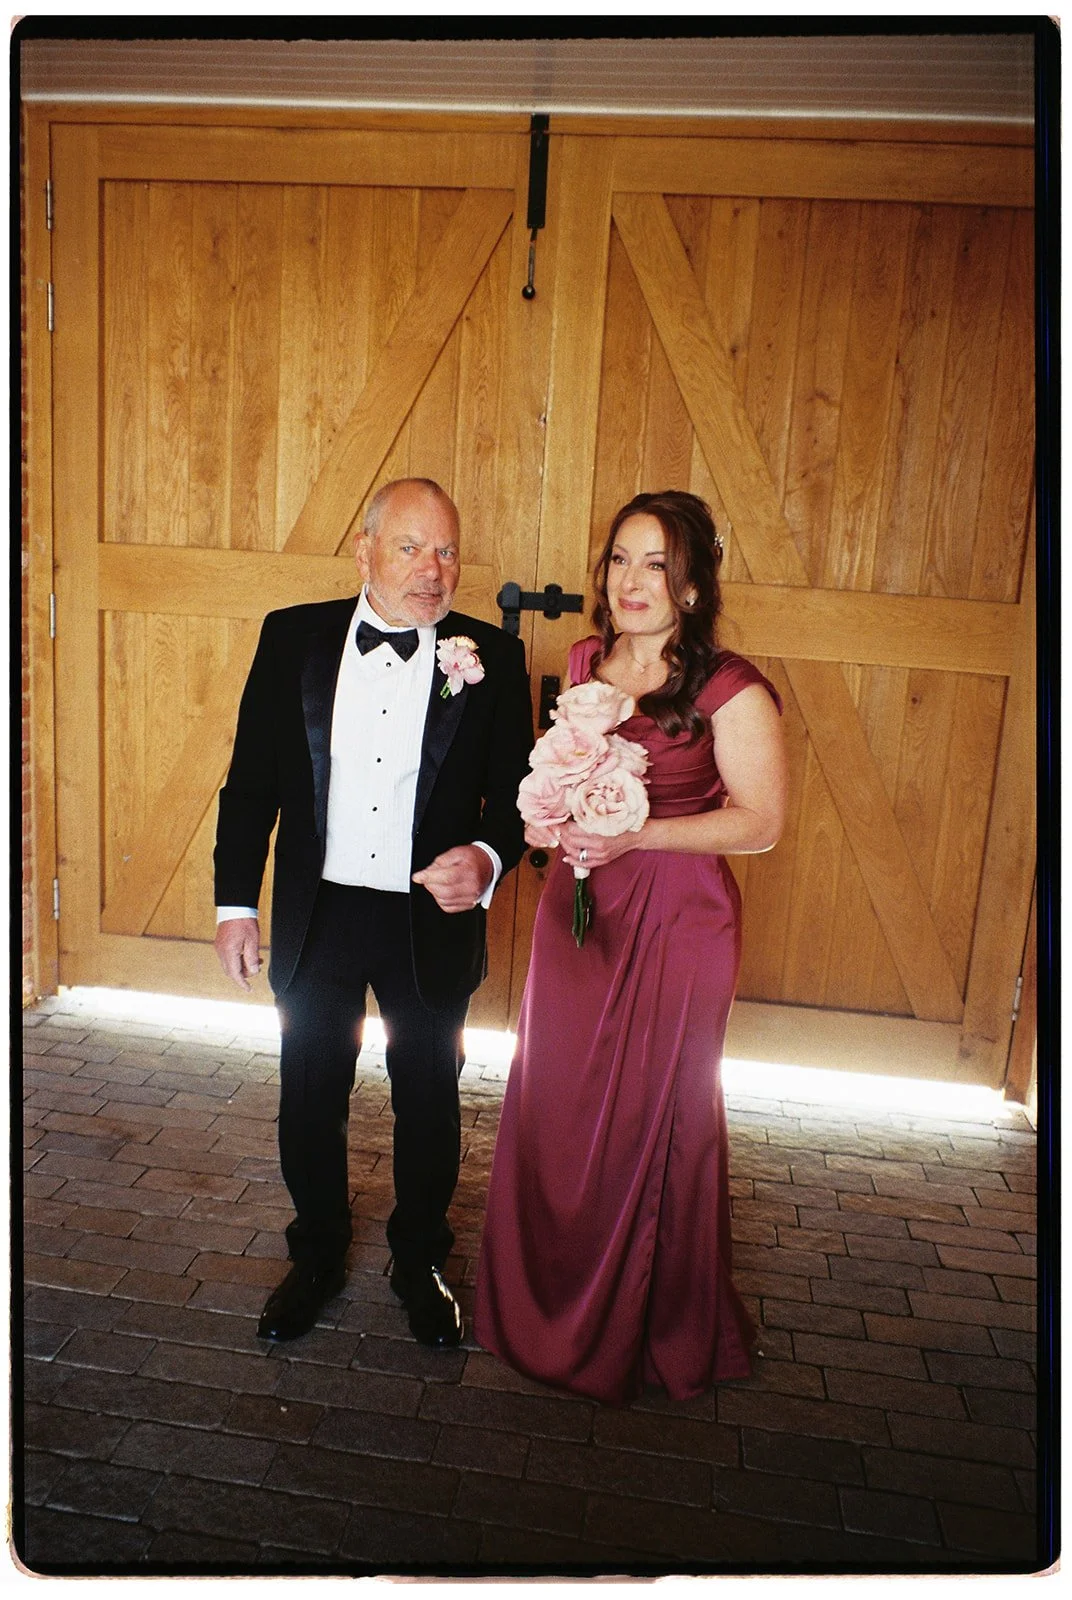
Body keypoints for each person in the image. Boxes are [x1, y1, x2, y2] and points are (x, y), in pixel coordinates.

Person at [475, 490, 787, 1405]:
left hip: (680, 921)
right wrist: (557, 817)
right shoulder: (584, 660)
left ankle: (649, 1328)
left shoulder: (732, 687)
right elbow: (566, 770)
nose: (632, 580)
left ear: (691, 585)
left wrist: (635, 837)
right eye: (619, 559)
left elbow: (762, 823)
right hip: (583, 909)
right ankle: (544, 1308)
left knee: (656, 1113)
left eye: (655, 563)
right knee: (560, 1106)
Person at [214, 478, 533, 1348]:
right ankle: (315, 1251)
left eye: (448, 551)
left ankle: (419, 1257)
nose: (434, 571)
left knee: (428, 1095)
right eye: (410, 548)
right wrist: (236, 905)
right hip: (320, 915)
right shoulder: (293, 639)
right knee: (309, 1090)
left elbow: (515, 802)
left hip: (427, 919)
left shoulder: (490, 660)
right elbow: (250, 788)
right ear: (364, 551)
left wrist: (489, 858)